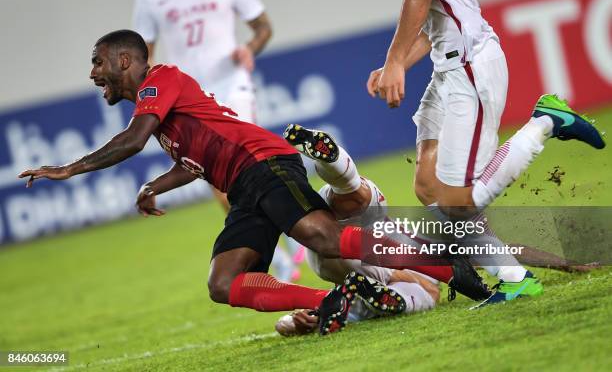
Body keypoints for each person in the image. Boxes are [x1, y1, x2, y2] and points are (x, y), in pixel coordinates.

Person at [18, 30, 489, 334]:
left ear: (126, 60)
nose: (93, 73)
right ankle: (331, 302)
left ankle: (449, 268)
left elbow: (130, 142)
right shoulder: (162, 117)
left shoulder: (159, 80)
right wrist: (155, 187)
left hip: (262, 161)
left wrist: (68, 168)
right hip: (243, 185)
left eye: (98, 62)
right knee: (223, 283)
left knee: (323, 239)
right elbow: (195, 164)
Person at [367, 0, 605, 306]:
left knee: (457, 202)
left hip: (469, 66)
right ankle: (514, 278)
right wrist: (400, 62)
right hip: (448, 67)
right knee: (428, 186)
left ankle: (547, 121)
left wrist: (393, 60)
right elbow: (432, 14)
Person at [277, 125, 440, 336]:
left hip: (335, 257)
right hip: (353, 251)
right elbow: (431, 288)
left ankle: (335, 164)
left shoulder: (346, 304)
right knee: (355, 197)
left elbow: (283, 324)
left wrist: (297, 321)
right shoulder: (426, 258)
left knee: (355, 195)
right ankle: (332, 161)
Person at [133, 0, 272, 211]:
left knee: (253, 166)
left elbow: (263, 27)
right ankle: (275, 251)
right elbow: (143, 57)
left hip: (231, 85)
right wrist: (162, 91)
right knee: (222, 185)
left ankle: (300, 241)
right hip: (189, 100)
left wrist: (248, 49)